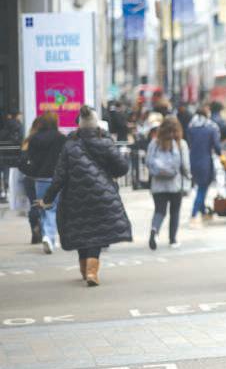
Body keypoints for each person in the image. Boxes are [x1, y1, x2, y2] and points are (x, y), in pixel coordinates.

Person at [40, 106, 131, 286]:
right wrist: (108, 171)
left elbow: (59, 176)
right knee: (96, 233)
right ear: (96, 125)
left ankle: (84, 268)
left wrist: (48, 198)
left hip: (74, 197)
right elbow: (122, 168)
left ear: (79, 126)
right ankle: (92, 271)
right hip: (102, 195)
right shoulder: (105, 142)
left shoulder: (70, 145)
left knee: (82, 230)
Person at [21, 112, 66, 253]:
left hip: (39, 178)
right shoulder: (61, 138)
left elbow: (26, 159)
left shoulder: (34, 139)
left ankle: (47, 235)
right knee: (52, 208)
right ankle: (49, 236)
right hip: (56, 178)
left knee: (43, 207)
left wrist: (31, 172)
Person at [147, 117, 191, 250]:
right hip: (175, 185)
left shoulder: (154, 143)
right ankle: (173, 240)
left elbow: (148, 162)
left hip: (158, 185)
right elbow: (185, 166)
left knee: (159, 210)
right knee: (175, 212)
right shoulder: (181, 144)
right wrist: (188, 176)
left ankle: (154, 230)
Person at [187, 106, 222, 228]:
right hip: (205, 161)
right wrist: (223, 154)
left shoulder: (191, 127)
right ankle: (193, 214)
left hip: (193, 161)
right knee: (202, 189)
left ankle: (204, 213)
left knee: (200, 187)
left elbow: (190, 143)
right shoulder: (210, 128)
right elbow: (217, 147)